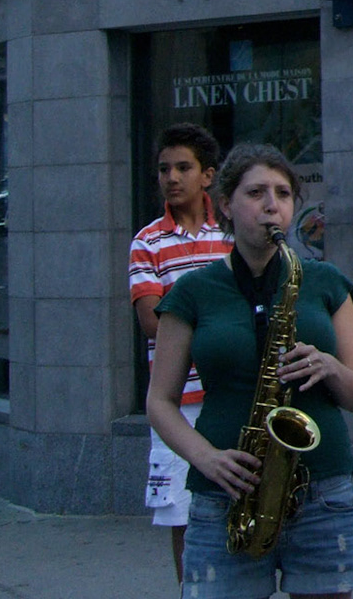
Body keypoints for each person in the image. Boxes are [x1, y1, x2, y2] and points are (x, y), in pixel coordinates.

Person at [145, 144, 353, 599]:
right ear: (226, 205)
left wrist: (329, 365)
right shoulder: (193, 291)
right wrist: (206, 459)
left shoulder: (325, 281)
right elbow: (159, 401)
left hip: (321, 490)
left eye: (283, 194)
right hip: (226, 491)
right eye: (256, 193)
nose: (272, 205)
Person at [129, 123, 235, 584]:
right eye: (163, 169)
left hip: (231, 393)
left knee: (238, 504)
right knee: (184, 515)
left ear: (208, 175)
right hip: (176, 401)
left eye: (183, 168)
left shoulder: (232, 235)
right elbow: (151, 321)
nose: (171, 178)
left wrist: (189, 316)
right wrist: (219, 329)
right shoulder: (147, 243)